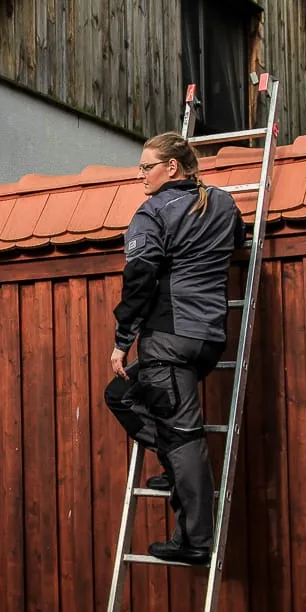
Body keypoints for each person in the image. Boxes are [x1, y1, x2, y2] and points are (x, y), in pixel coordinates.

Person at [104, 132, 245, 565]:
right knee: (121, 395)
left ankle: (194, 541)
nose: (140, 175)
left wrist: (122, 341)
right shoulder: (223, 203)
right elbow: (237, 240)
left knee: (183, 436)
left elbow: (139, 278)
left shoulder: (151, 214)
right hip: (208, 339)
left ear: (171, 167)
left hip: (169, 340)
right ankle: (174, 466)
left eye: (147, 167)